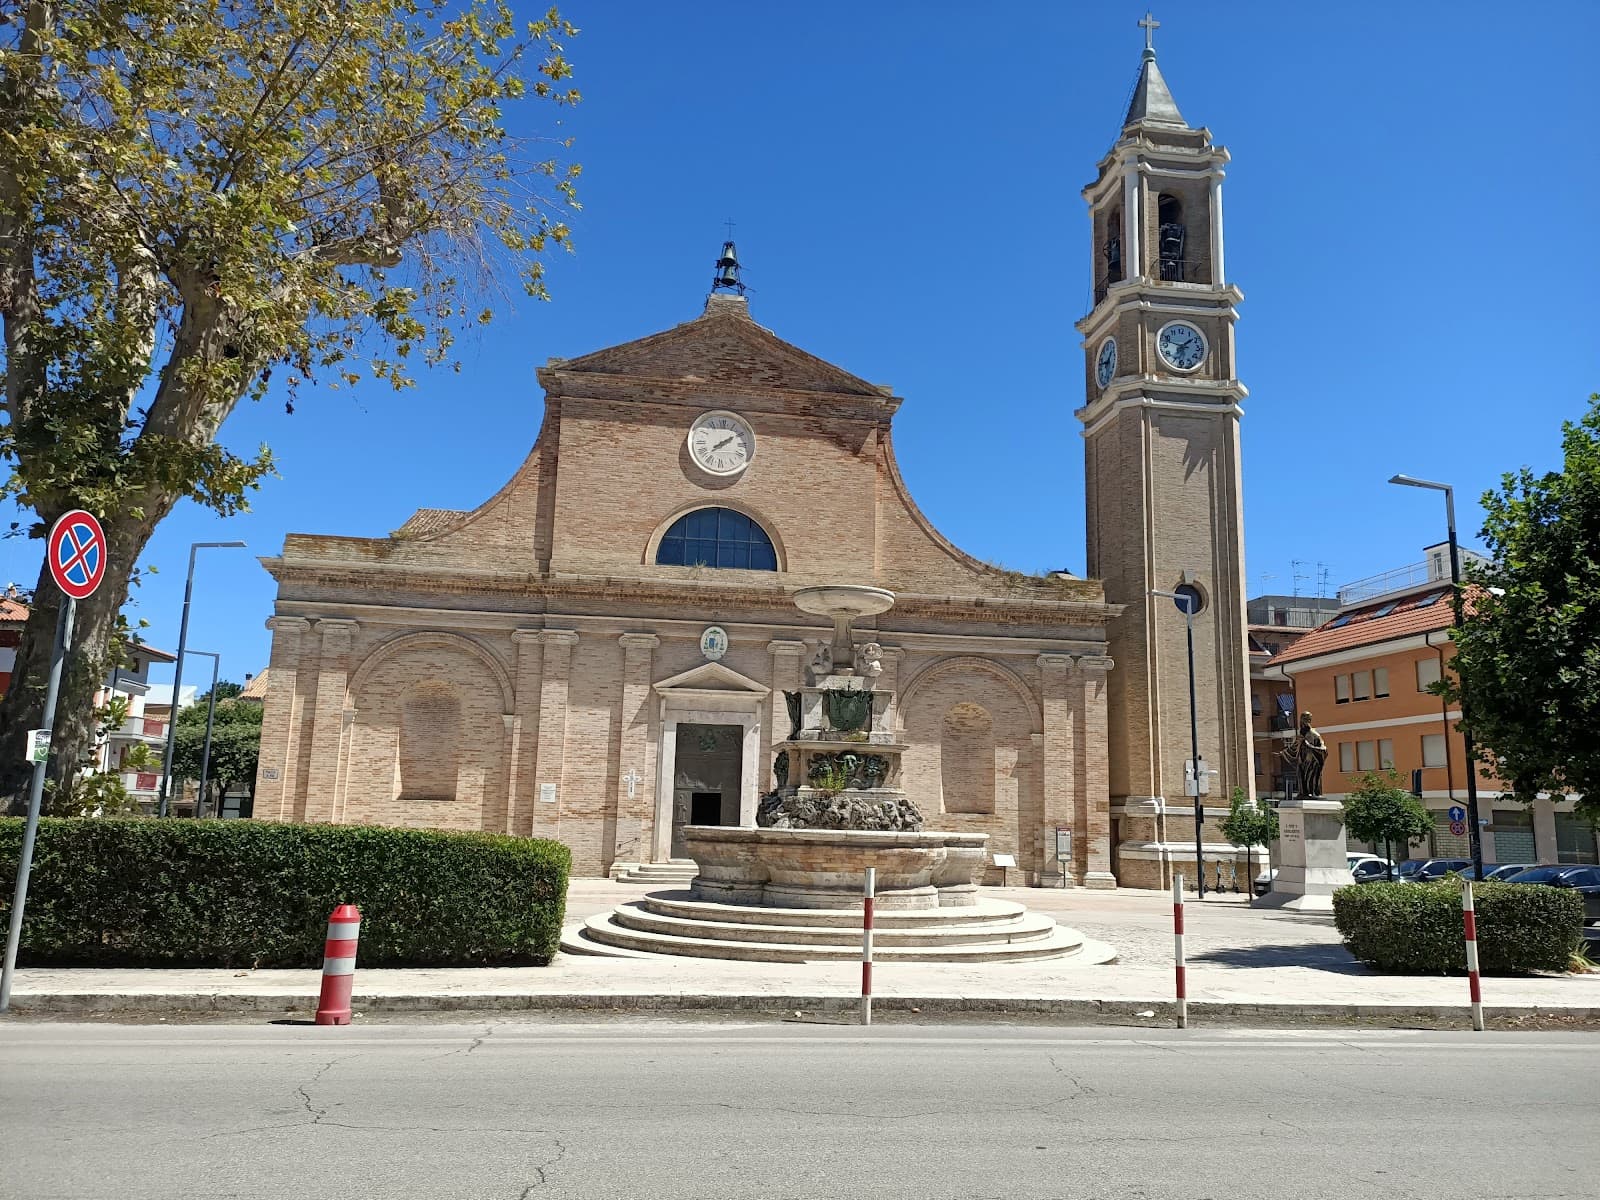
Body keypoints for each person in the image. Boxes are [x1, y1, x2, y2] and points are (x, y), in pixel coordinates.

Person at [1281, 711, 1328, 798]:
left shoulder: (1315, 735)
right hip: (1302, 762)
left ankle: (1312, 793)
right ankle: (1304, 793)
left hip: (1312, 762)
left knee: (1311, 778)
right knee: (1302, 778)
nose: (1303, 722)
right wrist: (1284, 753)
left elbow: (1323, 749)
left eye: (1306, 719)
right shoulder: (1301, 736)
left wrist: (1310, 747)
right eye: (1303, 720)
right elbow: (1294, 747)